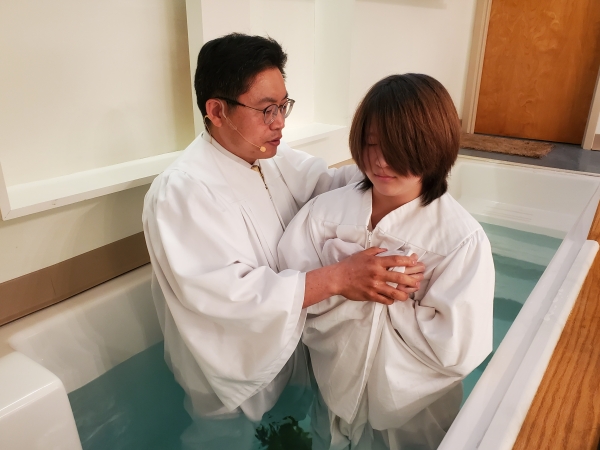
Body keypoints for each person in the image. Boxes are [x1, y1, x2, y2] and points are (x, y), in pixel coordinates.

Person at [142, 33, 424, 434]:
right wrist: (339, 278)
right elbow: (231, 297)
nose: (280, 122)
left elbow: (330, 187)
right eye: (266, 110)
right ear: (217, 111)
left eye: (283, 105)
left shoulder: (270, 157)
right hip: (232, 386)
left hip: (287, 354)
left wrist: (397, 162)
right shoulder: (182, 191)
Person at [278, 73, 495, 450]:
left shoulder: (459, 240)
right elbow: (289, 293)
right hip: (331, 393)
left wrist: (379, 301)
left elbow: (459, 350)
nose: (379, 160)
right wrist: (345, 280)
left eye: (397, 147)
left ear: (433, 145)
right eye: (370, 142)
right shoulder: (325, 213)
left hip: (413, 417)